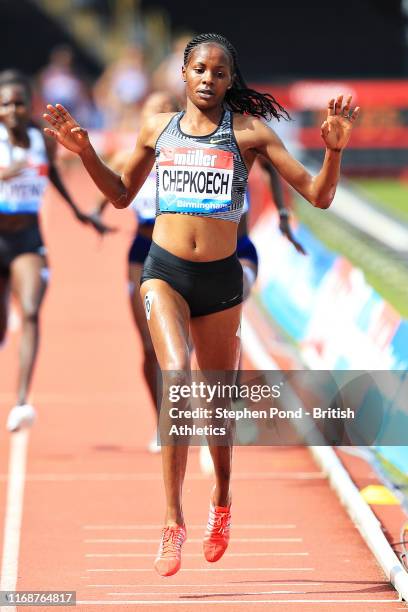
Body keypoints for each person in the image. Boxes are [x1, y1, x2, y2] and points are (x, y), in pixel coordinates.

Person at [43, 32, 359, 577]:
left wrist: (332, 152)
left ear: (230, 80)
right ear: (183, 76)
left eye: (218, 71)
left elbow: (319, 194)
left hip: (220, 280)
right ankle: (171, 521)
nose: (208, 78)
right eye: (199, 70)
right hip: (164, 271)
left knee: (217, 410)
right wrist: (86, 152)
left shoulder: (250, 133)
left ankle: (222, 501)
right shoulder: (157, 129)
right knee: (176, 380)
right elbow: (121, 195)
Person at [0, 70, 109, 432]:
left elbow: (53, 177)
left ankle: (20, 401)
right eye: (5, 104)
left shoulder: (39, 138)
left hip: (27, 237)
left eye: (18, 102)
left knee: (30, 311)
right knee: (3, 325)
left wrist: (81, 215)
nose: (13, 110)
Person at [92, 91, 180, 453]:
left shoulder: (185, 158)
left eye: (165, 111)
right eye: (151, 111)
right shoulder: (129, 157)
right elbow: (109, 194)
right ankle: (162, 418)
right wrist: (96, 219)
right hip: (141, 252)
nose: (158, 116)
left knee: (180, 345)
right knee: (148, 346)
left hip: (177, 250)